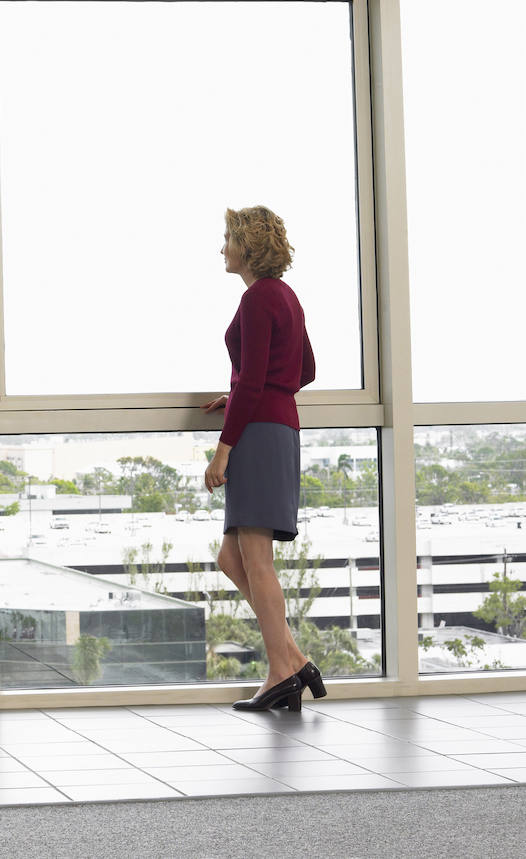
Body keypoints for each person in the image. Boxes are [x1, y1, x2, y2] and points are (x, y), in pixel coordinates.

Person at [201, 205, 325, 713]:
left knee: (256, 560)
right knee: (232, 559)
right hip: (278, 427)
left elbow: (255, 379)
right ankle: (294, 659)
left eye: (228, 238)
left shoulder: (257, 299)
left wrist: (222, 451)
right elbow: (306, 369)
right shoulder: (286, 297)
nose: (222, 247)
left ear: (247, 246)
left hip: (257, 436)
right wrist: (250, 395)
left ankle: (282, 670)